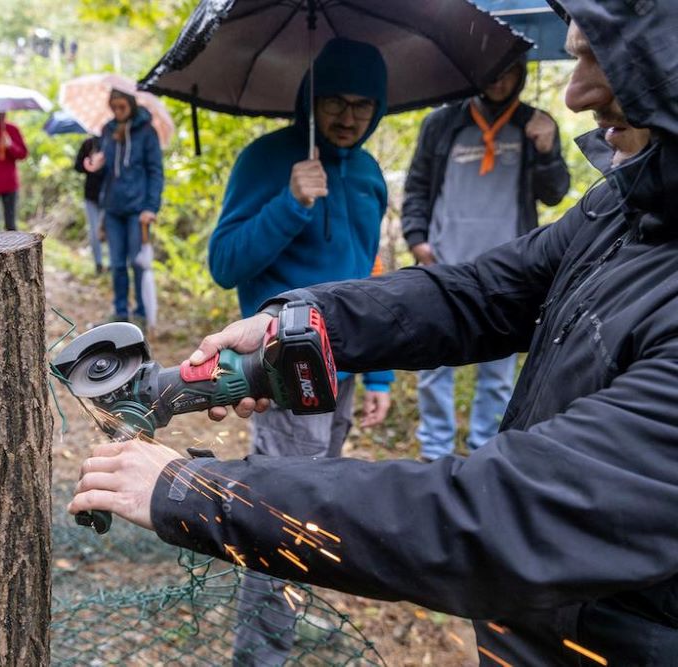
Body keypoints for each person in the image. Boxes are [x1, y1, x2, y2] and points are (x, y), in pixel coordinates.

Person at [68, 1, 678, 664]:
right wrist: (303, 319)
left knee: (299, 490)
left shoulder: (365, 178)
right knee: (291, 485)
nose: (575, 92)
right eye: (577, 54)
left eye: (600, 57)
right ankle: (263, 647)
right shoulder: (628, 204)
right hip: (543, 626)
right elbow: (477, 295)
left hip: (617, 636)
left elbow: (499, 515)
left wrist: (199, 489)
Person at [208, 37, 394, 665]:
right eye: (335, 101)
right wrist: (290, 204)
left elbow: (370, 276)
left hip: (346, 369)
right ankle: (262, 653)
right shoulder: (266, 161)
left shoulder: (369, 176)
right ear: (310, 101)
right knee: (284, 506)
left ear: (379, 108)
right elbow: (225, 263)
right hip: (282, 369)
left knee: (315, 500)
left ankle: (284, 613)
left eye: (362, 105)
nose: (347, 117)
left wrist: (380, 376)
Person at [402, 57, 571, 462]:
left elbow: (555, 193)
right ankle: (435, 452)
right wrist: (416, 238)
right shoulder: (442, 124)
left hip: (511, 270)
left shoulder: (536, 123)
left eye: (510, 71)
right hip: (445, 262)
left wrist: (546, 150)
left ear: (522, 75)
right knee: (433, 365)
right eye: (492, 70)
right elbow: (417, 187)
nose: (500, 79)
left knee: (498, 375)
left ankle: (483, 452)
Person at [83, 90, 164, 325]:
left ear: (131, 105)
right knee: (117, 264)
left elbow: (155, 172)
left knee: (137, 263)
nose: (117, 112)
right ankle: (120, 311)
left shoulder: (147, 132)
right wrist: (96, 163)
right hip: (112, 207)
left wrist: (151, 207)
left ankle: (140, 312)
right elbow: (106, 166)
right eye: (114, 107)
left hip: (138, 210)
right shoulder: (108, 130)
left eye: (122, 107)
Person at [74, 136, 106, 273]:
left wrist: (102, 163)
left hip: (109, 196)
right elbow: (77, 166)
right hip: (91, 196)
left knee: (109, 231)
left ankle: (112, 263)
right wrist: (87, 164)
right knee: (94, 231)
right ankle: (98, 264)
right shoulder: (88, 143)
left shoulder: (112, 143)